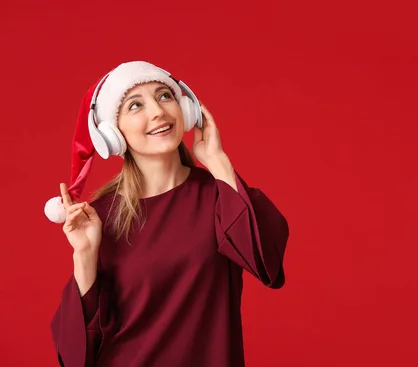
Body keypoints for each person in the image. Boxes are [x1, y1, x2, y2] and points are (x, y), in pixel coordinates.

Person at [44, 61, 289, 367]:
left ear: (186, 110)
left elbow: (266, 261)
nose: (158, 111)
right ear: (112, 134)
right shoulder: (100, 218)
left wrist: (217, 161)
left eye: (164, 96)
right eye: (136, 105)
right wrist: (85, 255)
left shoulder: (219, 195)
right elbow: (75, 355)